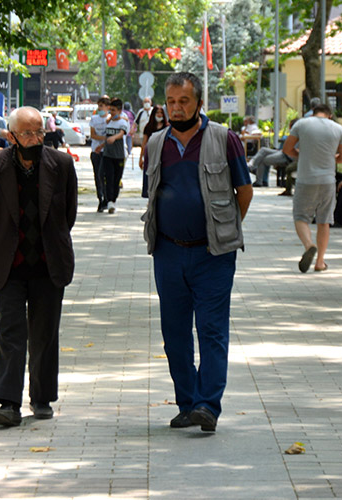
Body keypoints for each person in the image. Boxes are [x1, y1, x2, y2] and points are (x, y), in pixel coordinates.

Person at [142, 72, 252, 433]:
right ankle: (187, 403)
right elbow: (154, 194)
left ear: (199, 103)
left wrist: (224, 229)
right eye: (171, 102)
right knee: (174, 335)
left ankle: (208, 404)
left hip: (212, 255)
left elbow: (244, 191)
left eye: (184, 101)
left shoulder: (223, 138)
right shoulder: (156, 143)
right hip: (168, 253)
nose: (176, 108)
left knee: (212, 331)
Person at [0, 106, 77, 427]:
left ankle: (42, 397)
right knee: (10, 333)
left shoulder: (61, 164)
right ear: (11, 136)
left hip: (48, 264)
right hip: (9, 265)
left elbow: (68, 214)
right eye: (27, 133)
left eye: (39, 132)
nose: (35, 138)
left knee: (45, 334)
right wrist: (4, 242)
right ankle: (8, 402)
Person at [282, 102, 342, 273]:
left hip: (306, 179)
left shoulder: (301, 124)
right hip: (327, 180)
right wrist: (330, 158)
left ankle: (308, 245)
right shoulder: (338, 128)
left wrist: (301, 155)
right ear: (330, 115)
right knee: (324, 220)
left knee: (301, 217)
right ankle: (320, 262)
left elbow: (287, 148)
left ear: (313, 113)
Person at [100, 98, 129, 214]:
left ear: (119, 110)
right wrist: (101, 145)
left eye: (113, 110)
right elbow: (107, 137)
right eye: (110, 110)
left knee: (117, 179)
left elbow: (121, 134)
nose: (111, 112)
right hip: (108, 154)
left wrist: (114, 137)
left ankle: (114, 199)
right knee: (108, 178)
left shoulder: (123, 122)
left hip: (119, 155)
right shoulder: (109, 121)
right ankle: (109, 201)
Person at [89, 96, 112, 212]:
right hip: (95, 151)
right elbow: (93, 135)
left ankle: (107, 198)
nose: (100, 108)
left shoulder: (110, 119)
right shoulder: (94, 119)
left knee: (105, 175)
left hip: (106, 152)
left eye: (102, 106)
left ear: (108, 107)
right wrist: (103, 139)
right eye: (98, 106)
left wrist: (103, 144)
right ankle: (100, 197)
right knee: (98, 175)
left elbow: (111, 136)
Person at [139, 105, 167, 198]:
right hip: (150, 156)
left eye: (161, 113)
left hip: (163, 156)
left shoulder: (167, 127)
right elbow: (144, 143)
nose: (159, 115)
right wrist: (141, 158)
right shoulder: (149, 127)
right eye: (157, 113)